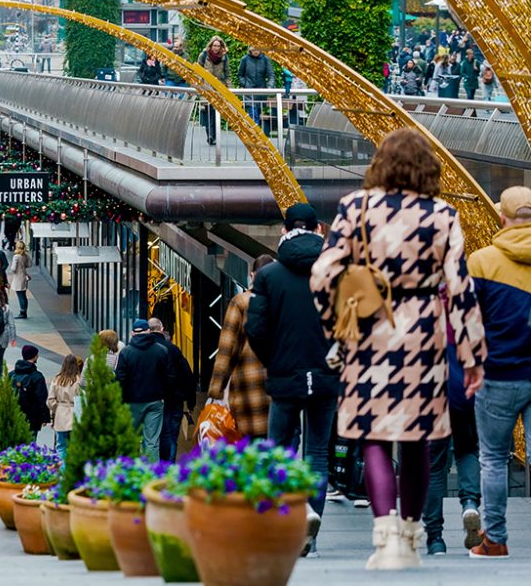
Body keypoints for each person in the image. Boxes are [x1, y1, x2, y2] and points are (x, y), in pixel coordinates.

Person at [310, 128, 487, 568]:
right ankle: (409, 540)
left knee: (371, 434)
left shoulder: (355, 208)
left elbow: (322, 274)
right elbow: (460, 289)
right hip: (424, 333)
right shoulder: (442, 215)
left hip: (369, 332)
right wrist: (472, 355)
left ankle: (385, 536)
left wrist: (336, 322)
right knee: (417, 439)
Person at [246, 202, 338, 558]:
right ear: (319, 231)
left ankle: (282, 523)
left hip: (284, 377)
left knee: (279, 448)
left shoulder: (269, 276)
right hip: (326, 375)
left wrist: (276, 360)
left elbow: (256, 328)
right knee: (317, 451)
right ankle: (310, 517)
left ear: (284, 232)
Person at [466, 185, 531, 559]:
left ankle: (495, 539)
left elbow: (469, 321)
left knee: (492, 458)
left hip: (498, 374)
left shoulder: (482, 260)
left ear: (502, 217)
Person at [422, 297, 482, 555]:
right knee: (467, 451)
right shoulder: (469, 304)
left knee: (434, 467)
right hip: (464, 391)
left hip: (431, 395)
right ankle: (470, 503)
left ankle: (435, 538)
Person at [206, 254, 276, 439]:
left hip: (247, 389)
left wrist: (216, 390)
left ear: (252, 276)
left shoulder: (240, 303)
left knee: (250, 449)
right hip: (279, 389)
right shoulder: (282, 302)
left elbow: (226, 350)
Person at [116, 319, 171, 461]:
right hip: (155, 401)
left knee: (131, 439)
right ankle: (152, 475)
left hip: (132, 402)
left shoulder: (126, 353)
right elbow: (168, 377)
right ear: (148, 331)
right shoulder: (161, 351)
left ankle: (131, 471)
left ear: (133, 333)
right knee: (152, 441)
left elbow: (120, 380)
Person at [151, 318, 194, 463]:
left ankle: (156, 467)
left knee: (153, 436)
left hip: (153, 399)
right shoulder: (174, 350)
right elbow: (187, 375)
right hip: (175, 399)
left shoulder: (146, 349)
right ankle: (169, 467)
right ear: (161, 329)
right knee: (171, 436)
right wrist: (191, 402)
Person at [10, 345, 50, 438]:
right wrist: (45, 417)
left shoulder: (12, 374)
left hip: (15, 414)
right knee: (30, 447)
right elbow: (41, 398)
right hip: (32, 417)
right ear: (35, 356)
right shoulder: (37, 376)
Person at [47, 354, 82, 459]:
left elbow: (50, 400)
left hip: (61, 415)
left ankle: (62, 469)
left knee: (61, 445)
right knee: (75, 445)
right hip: (75, 414)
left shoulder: (57, 379)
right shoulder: (79, 380)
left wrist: (57, 409)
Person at [198, 36, 230, 144]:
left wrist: (229, 89)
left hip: (219, 87)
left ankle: (214, 135)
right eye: (214, 45)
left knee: (216, 112)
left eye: (218, 46)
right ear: (211, 45)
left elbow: (227, 74)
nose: (216, 48)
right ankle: (210, 135)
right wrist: (199, 86)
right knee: (208, 112)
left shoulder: (224, 57)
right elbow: (198, 71)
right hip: (207, 86)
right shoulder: (203, 55)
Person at [237, 46, 274, 129]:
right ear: (250, 49)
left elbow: (271, 74)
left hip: (261, 91)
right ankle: (255, 130)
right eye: (253, 50)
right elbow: (240, 75)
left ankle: (256, 131)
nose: (255, 52)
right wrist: (244, 84)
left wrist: (270, 86)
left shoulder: (265, 59)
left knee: (258, 111)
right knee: (253, 112)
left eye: (257, 49)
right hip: (249, 91)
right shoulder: (245, 59)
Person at [10, 241, 31, 319]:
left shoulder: (16, 256)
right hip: (24, 276)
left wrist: (13, 270)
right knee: (24, 295)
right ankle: (24, 311)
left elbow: (13, 268)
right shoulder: (25, 256)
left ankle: (22, 312)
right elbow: (29, 264)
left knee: (20, 295)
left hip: (18, 277)